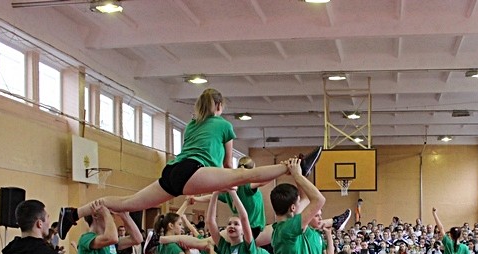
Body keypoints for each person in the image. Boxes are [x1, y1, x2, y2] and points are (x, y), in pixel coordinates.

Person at [55, 88, 322, 239]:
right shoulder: (224, 125)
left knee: (129, 203)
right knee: (242, 176)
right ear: (218, 105)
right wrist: (234, 182)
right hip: (193, 171)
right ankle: (295, 165)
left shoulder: (193, 124)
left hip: (173, 170)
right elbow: (230, 165)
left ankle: (74, 213)